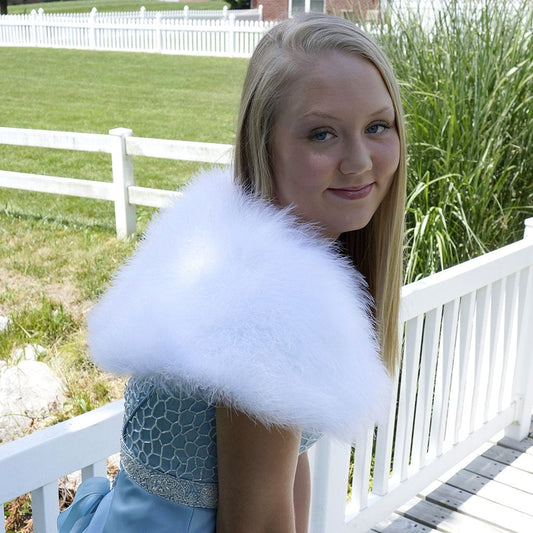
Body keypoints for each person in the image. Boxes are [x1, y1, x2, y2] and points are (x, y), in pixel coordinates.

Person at [58, 12, 406, 533]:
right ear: (263, 144)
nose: (359, 161)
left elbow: (288, 467)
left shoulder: (247, 248)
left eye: (377, 126)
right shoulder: (266, 301)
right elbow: (258, 523)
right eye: (322, 134)